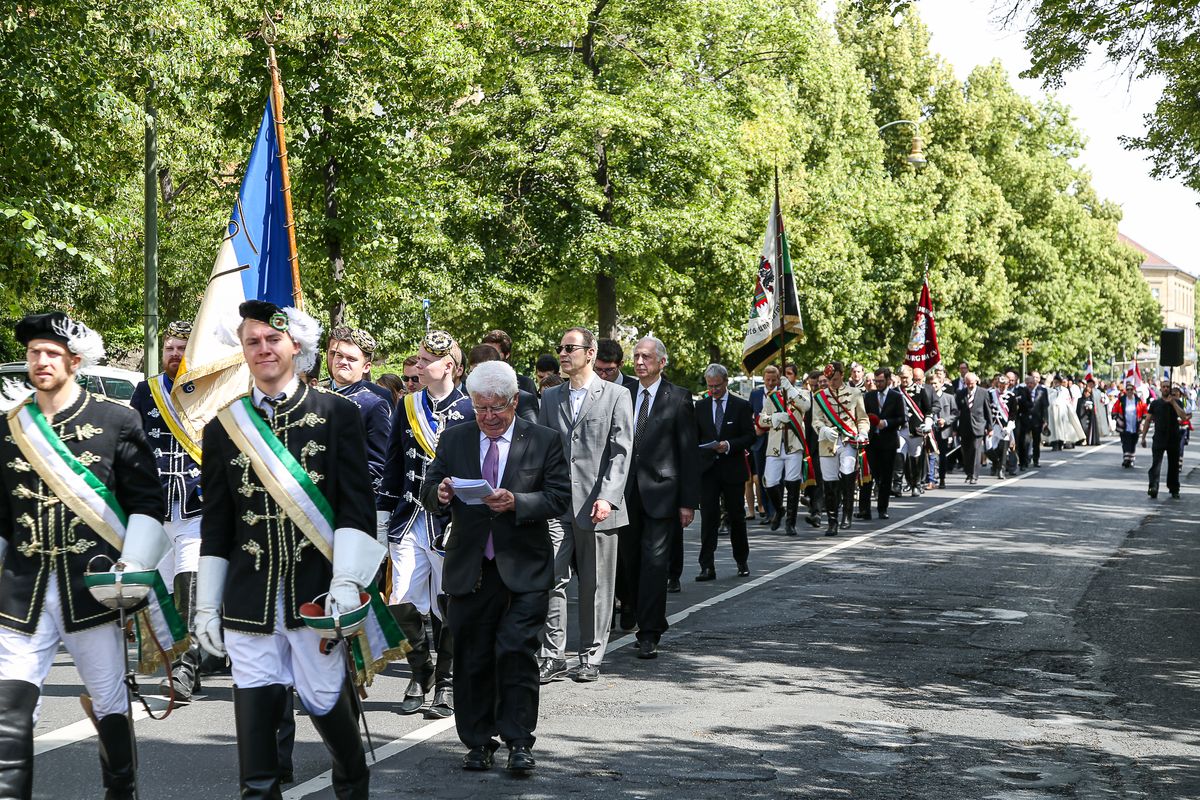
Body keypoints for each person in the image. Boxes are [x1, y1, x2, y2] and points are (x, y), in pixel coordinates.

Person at [195, 301, 398, 800]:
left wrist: (347, 581)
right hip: (249, 602)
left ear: (295, 345)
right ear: (242, 351)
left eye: (272, 339)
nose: (263, 348)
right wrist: (205, 603)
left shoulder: (337, 413)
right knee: (257, 734)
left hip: (316, 598)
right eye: (252, 341)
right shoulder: (224, 428)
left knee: (327, 704)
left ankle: (353, 783)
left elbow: (356, 506)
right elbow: (217, 526)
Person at [0, 312, 171, 800]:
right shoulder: (10, 427)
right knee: (8, 708)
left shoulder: (117, 419)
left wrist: (131, 565)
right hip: (21, 588)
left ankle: (121, 791)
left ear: (74, 361)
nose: (40, 360)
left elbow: (146, 503)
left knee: (110, 700)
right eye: (34, 352)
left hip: (91, 587)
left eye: (51, 353)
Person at [422, 361, 570, 775]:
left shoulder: (543, 441)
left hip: (524, 568)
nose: (487, 417)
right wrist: (443, 493)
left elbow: (559, 497)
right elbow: (429, 490)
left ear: (515, 401)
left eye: (496, 408)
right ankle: (477, 741)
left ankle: (520, 741)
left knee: (516, 653)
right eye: (480, 408)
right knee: (472, 657)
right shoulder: (454, 440)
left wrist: (518, 502)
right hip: (471, 568)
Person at [377, 331, 474, 718]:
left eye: (425, 361)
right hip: (409, 515)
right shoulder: (409, 406)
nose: (417, 366)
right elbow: (394, 463)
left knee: (447, 604)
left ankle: (447, 683)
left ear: (447, 365)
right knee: (400, 601)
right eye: (417, 359)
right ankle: (421, 671)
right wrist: (384, 515)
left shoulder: (469, 409)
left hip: (449, 523)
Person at [535, 328, 632, 684]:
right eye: (559, 348)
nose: (562, 353)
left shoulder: (617, 395)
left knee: (596, 585)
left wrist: (608, 496)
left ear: (589, 353)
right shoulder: (550, 398)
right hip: (558, 505)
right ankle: (552, 654)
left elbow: (621, 452)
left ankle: (591, 655)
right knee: (551, 579)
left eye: (569, 348)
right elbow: (543, 451)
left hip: (598, 505)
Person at [129, 321, 206, 702]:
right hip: (157, 507)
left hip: (196, 506)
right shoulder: (147, 390)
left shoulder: (209, 390)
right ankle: (178, 658)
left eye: (182, 348)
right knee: (158, 594)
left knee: (186, 590)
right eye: (170, 348)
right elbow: (132, 443)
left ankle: (185, 671)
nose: (175, 354)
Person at [621, 337, 698, 659]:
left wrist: (687, 502)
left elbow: (688, 452)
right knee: (628, 563)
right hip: (625, 493)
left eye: (646, 357)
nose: (640, 362)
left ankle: (650, 631)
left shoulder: (678, 398)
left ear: (661, 362)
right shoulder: (623, 394)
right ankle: (632, 609)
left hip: (662, 495)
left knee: (654, 564)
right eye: (636, 356)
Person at [695, 364, 755, 577]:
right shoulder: (700, 407)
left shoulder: (740, 405)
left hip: (732, 469)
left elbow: (750, 436)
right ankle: (707, 566)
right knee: (708, 518)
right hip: (708, 470)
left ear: (726, 382)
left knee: (736, 516)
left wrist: (729, 445)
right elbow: (695, 437)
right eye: (710, 387)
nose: (713, 391)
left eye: (717, 386)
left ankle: (741, 561)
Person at [326, 326, 393, 494]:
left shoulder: (374, 405)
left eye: (351, 359)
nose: (342, 361)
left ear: (366, 367)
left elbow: (379, 465)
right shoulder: (314, 396)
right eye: (339, 355)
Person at [810, 361, 869, 536]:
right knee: (829, 483)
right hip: (827, 443)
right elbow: (816, 420)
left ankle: (847, 515)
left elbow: (862, 418)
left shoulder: (855, 393)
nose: (832, 383)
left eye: (835, 379)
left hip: (848, 441)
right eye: (829, 380)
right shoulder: (819, 396)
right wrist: (823, 429)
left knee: (847, 476)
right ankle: (832, 521)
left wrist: (863, 433)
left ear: (842, 375)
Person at [757, 366, 808, 535]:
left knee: (792, 482)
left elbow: (805, 406)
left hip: (793, 444)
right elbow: (762, 420)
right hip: (775, 445)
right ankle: (779, 510)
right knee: (770, 481)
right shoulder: (772, 398)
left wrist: (791, 390)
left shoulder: (800, 394)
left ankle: (790, 522)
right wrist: (774, 418)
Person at [859, 368, 904, 520]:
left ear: (888, 380)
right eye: (875, 381)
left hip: (888, 443)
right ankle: (864, 509)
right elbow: (863, 417)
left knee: (885, 478)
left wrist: (886, 423)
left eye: (880, 381)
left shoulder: (896, 397)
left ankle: (882, 508)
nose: (877, 384)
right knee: (867, 476)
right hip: (871, 442)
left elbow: (901, 418)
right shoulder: (868, 396)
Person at [1140, 379, 1188, 499]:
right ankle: (1153, 487)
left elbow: (1183, 416)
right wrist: (1143, 437)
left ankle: (1174, 488)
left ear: (1170, 389)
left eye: (1168, 387)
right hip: (1159, 438)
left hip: (1173, 438)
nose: (1166, 389)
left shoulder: (1177, 402)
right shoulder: (1155, 404)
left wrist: (1173, 403)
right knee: (1156, 464)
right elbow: (1148, 419)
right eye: (1164, 387)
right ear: (1160, 389)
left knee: (1173, 465)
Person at [469, 344, 538, 422]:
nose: (489, 417)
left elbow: (528, 430)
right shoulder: (464, 400)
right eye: (472, 372)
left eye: (498, 407)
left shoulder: (523, 400)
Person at [897, 366, 933, 496]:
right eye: (901, 378)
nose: (904, 380)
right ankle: (897, 484)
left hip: (915, 430)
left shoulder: (920, 391)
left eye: (906, 377)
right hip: (900, 429)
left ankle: (916, 484)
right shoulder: (896, 391)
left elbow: (928, 410)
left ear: (911, 376)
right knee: (899, 453)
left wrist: (927, 423)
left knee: (915, 457)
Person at [481, 329, 540, 402]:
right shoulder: (473, 383)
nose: (488, 357)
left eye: (494, 352)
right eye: (485, 352)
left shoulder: (525, 384)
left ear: (507, 354)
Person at [956, 372, 988, 484]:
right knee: (966, 451)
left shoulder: (983, 392)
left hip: (978, 426)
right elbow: (956, 412)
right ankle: (968, 473)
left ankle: (974, 475)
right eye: (967, 383)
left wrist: (990, 427)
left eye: (971, 383)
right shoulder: (960, 393)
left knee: (975, 450)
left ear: (976, 382)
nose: (969, 386)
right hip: (964, 427)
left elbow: (987, 410)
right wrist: (955, 429)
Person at [930, 365, 958, 487]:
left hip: (944, 431)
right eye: (931, 384)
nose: (934, 386)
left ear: (941, 383)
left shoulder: (949, 397)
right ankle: (930, 479)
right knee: (930, 455)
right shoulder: (928, 397)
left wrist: (945, 421)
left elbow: (955, 413)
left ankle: (942, 478)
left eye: (936, 383)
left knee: (942, 456)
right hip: (930, 430)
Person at [985, 374, 1017, 479]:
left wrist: (1008, 427)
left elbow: (1012, 414)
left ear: (1008, 385)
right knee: (988, 448)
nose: (1002, 387)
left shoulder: (1011, 397)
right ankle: (997, 463)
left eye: (1005, 385)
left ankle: (1001, 470)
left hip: (1004, 427)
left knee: (1004, 449)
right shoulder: (991, 394)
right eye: (1000, 384)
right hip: (993, 425)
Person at [1014, 375, 1048, 469]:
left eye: (1031, 383)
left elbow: (1045, 407)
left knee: (1036, 441)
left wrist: (1045, 420)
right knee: (1024, 441)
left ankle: (1036, 460)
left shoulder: (1041, 391)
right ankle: (1023, 461)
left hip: (1037, 419)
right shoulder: (1021, 391)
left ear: (1035, 383)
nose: (1030, 385)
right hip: (1024, 419)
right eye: (1028, 383)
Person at [1112, 383, 1146, 467]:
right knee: (1125, 441)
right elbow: (1114, 410)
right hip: (1124, 425)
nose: (1130, 391)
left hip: (1135, 424)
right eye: (1128, 390)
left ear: (1134, 391)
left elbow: (1144, 412)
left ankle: (1131, 458)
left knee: (1133, 441)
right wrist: (1118, 420)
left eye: (1131, 390)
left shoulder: (1138, 401)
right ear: (1125, 391)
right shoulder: (1121, 400)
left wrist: (1142, 422)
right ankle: (1126, 459)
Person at [1047, 374, 1084, 449]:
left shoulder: (1064, 390)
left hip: (1062, 412)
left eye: (1057, 382)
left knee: (1062, 429)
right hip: (1052, 413)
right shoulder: (1050, 391)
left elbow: (1068, 401)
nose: (1056, 384)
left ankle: (1060, 442)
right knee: (1053, 429)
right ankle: (1054, 443)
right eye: (1055, 382)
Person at [1077, 379, 1102, 446]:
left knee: (1088, 429)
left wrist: (1090, 408)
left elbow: (1094, 408)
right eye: (1086, 392)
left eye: (1088, 392)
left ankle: (1088, 440)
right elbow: (1078, 409)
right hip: (1081, 417)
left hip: (1089, 417)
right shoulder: (1080, 400)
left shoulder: (1091, 400)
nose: (1087, 394)